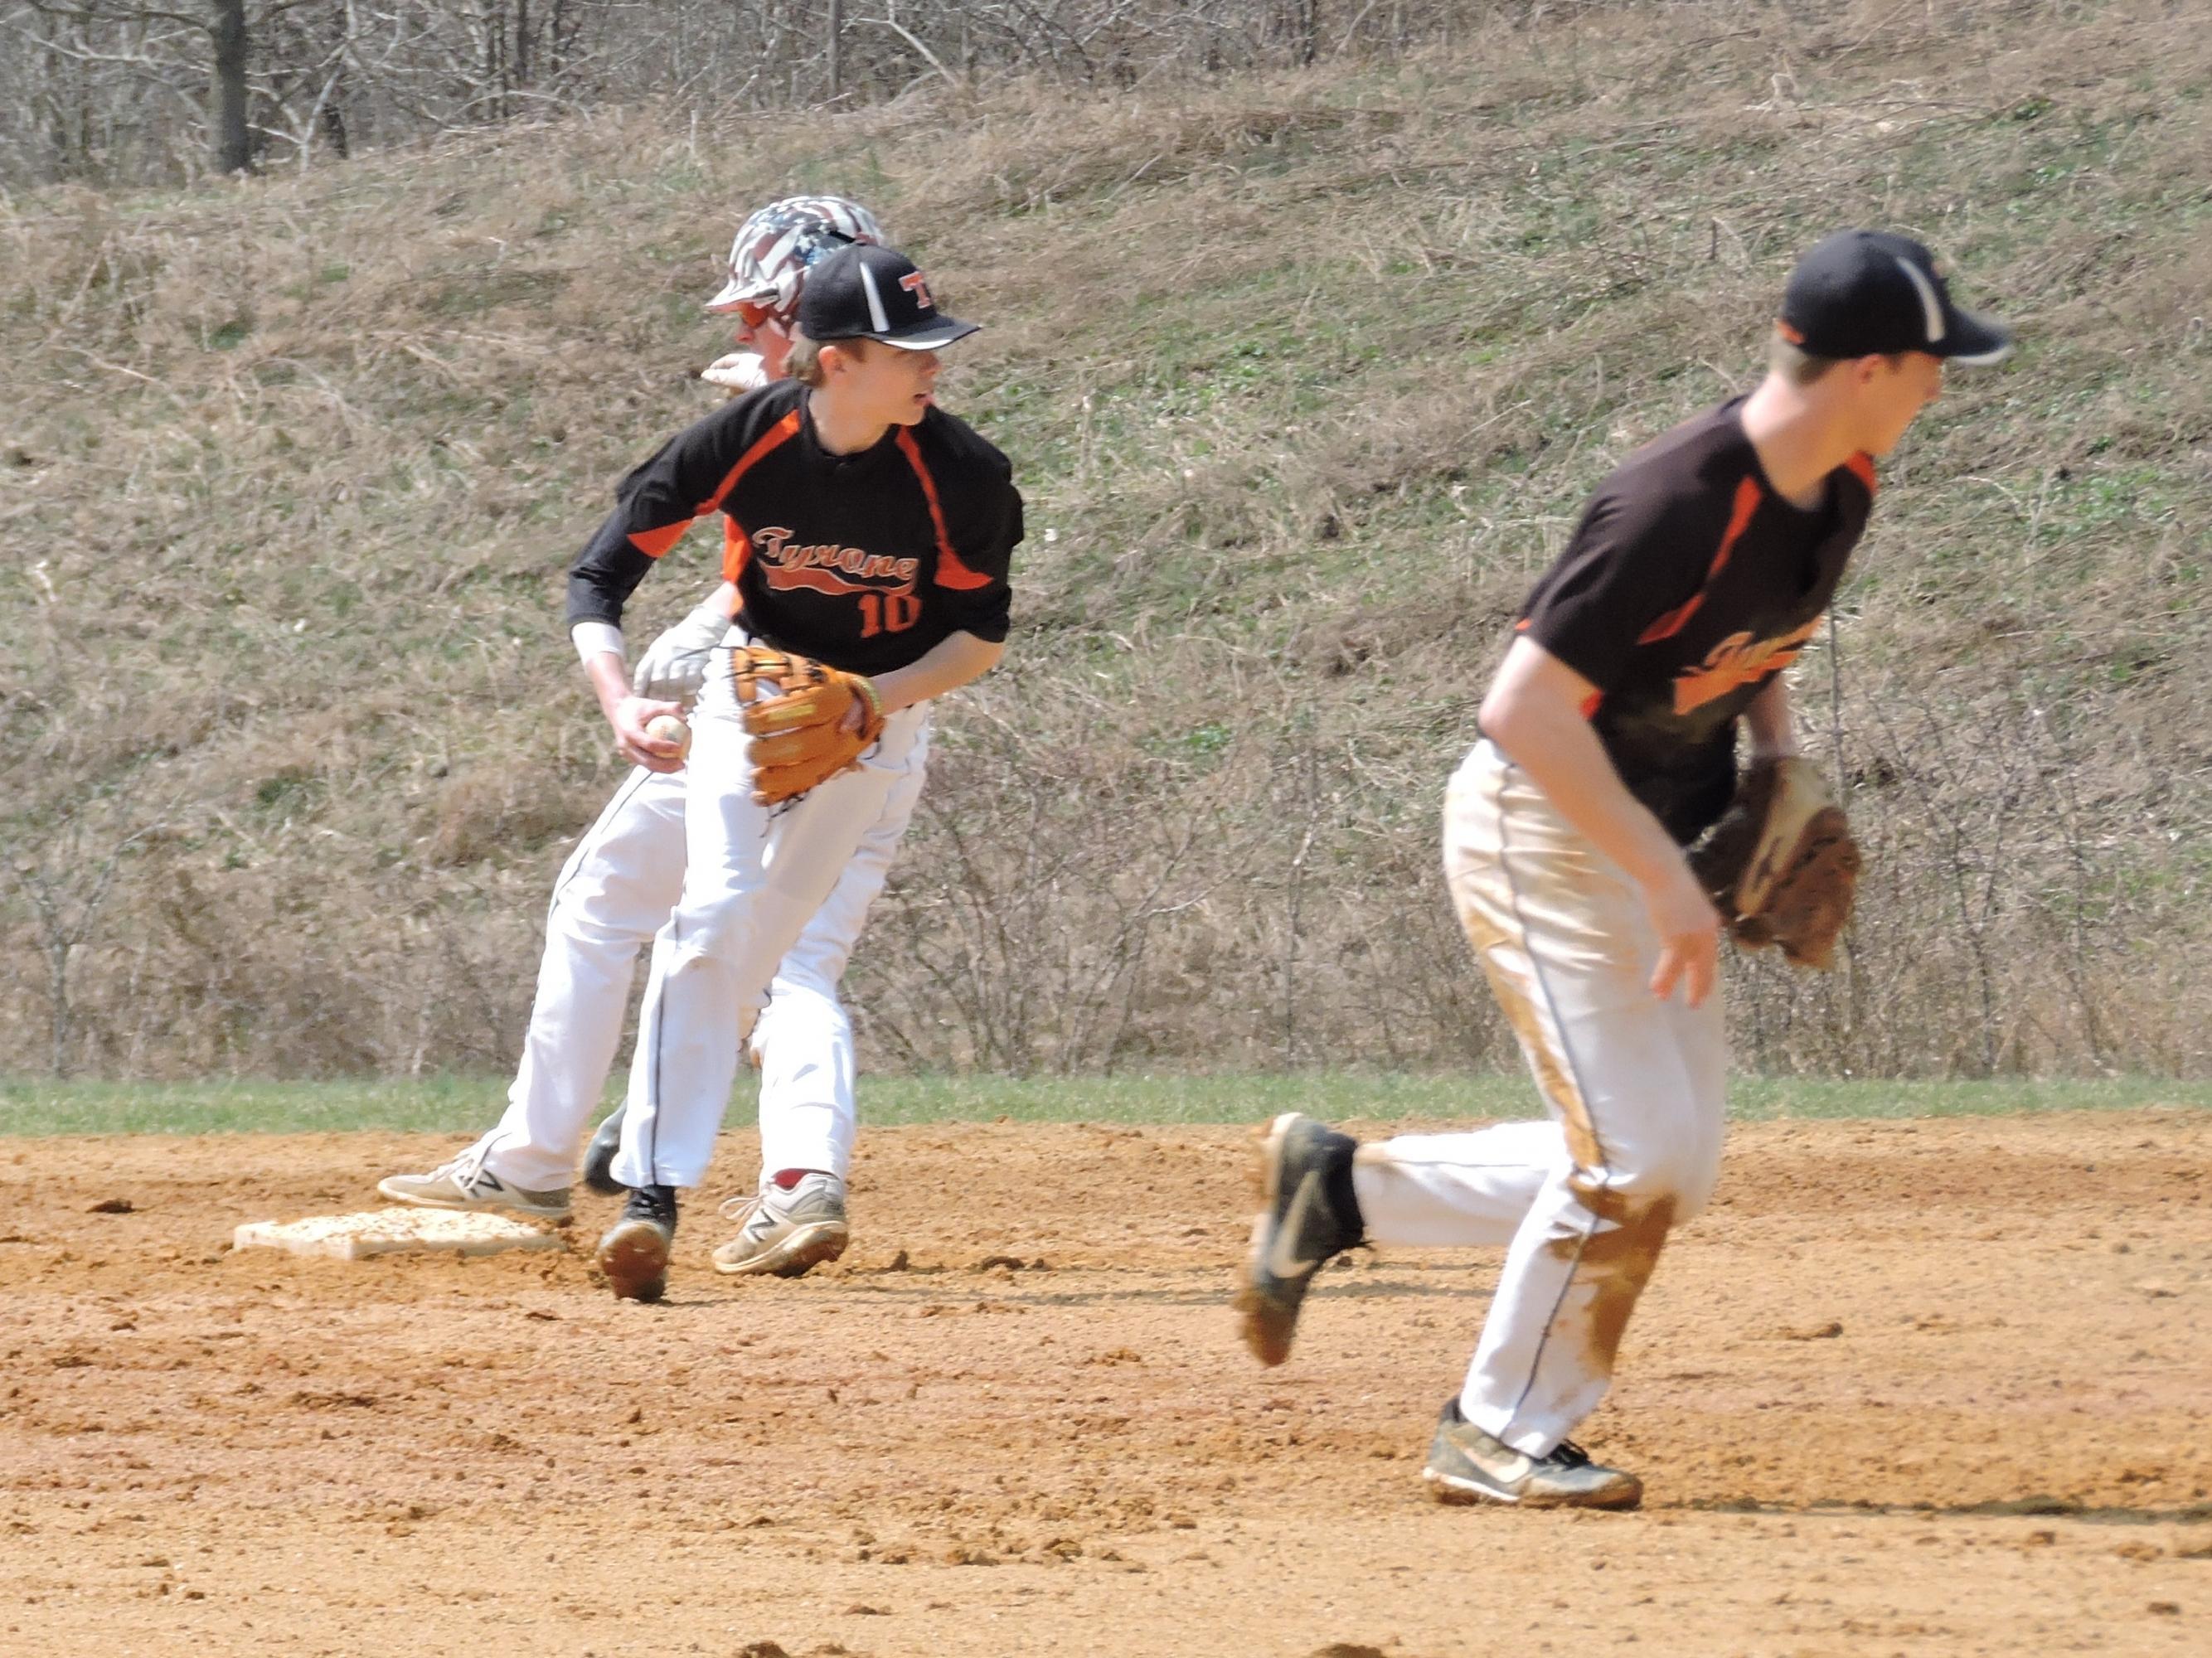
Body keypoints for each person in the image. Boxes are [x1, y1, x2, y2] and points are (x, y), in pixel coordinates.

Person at [1234, 230, 2012, 1508]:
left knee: (1672, 1170)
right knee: (1631, 1164)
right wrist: (1660, 877)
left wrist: (1781, 769)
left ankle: (1342, 1189)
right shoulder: (1674, 502)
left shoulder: (1843, 481)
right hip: (1540, 835)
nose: (1943, 383)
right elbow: (1523, 707)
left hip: (1657, 844)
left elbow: (1762, 648)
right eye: (1934, 363)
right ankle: (1497, 1431)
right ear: (1870, 367)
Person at [380, 198, 929, 1277]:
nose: (745, 333)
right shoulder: (890, 413)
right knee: (791, 967)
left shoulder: (819, 412)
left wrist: (661, 672)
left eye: (761, 314)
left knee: (610, 904)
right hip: (883, 727)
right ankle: (799, 1180)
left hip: (779, 722)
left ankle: (536, 1160)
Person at [573, 241, 1021, 1302]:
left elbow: (980, 640)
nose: (934, 367)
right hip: (751, 691)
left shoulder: (964, 475)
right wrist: (621, 699)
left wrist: (874, 700)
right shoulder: (747, 439)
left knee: (764, 946)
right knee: (709, 918)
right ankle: (653, 1196)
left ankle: (656, 1157)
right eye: (909, 351)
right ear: (837, 362)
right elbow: (601, 576)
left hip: (875, 718)